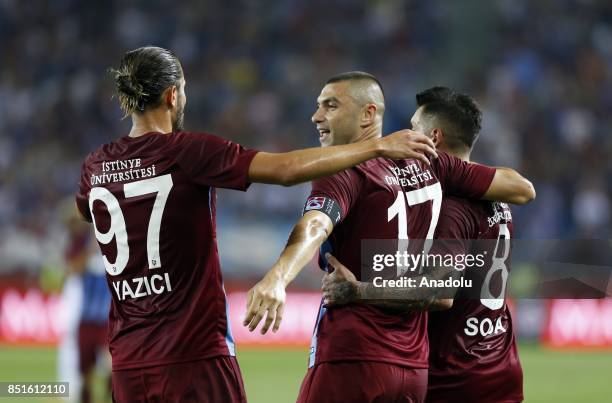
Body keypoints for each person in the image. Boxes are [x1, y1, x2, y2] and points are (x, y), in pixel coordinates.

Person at [74, 46, 438, 402]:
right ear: (172, 95)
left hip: (127, 363)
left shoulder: (95, 166)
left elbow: (88, 211)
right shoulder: (189, 150)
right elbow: (286, 169)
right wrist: (376, 147)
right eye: (183, 90)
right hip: (194, 355)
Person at [244, 73, 534, 402]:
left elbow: (314, 225)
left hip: (354, 355)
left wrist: (277, 277)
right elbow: (522, 188)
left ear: (368, 114)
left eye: (331, 105)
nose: (317, 116)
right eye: (318, 106)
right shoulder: (428, 165)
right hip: (414, 368)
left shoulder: (341, 171)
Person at [321, 87, 524, 402]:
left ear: (434, 138)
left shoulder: (449, 205)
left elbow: (439, 293)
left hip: (456, 376)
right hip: (501, 364)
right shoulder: (499, 200)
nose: (406, 136)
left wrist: (358, 290)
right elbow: (524, 188)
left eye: (414, 129)